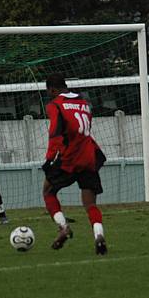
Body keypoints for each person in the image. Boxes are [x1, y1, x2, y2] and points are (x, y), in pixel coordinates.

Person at [41, 74, 108, 255]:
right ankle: (98, 234)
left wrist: (49, 160)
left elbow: (55, 134)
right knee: (90, 202)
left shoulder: (55, 105)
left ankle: (63, 227)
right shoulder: (84, 103)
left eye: (49, 92)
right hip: (89, 157)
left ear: (52, 90)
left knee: (48, 190)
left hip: (69, 158)